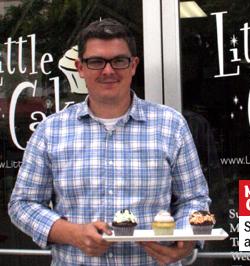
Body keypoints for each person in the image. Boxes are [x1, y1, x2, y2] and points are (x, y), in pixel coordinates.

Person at [8, 18, 211, 266]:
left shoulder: (171, 125)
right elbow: (22, 204)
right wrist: (71, 233)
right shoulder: (50, 131)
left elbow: (194, 200)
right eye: (96, 62)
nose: (108, 71)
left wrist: (185, 240)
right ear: (80, 67)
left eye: (119, 60)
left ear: (133, 65)